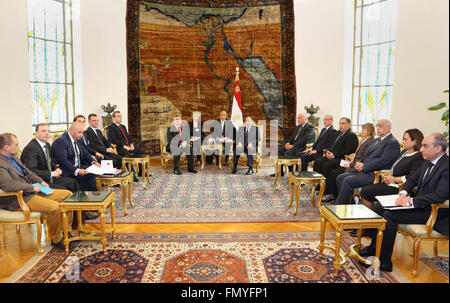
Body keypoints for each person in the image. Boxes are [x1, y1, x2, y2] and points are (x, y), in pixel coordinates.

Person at [358, 133, 449, 272]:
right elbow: (412, 180)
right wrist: (403, 193)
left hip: (434, 211)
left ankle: (384, 262)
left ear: (438, 148)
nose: (421, 149)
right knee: (378, 208)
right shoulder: (426, 161)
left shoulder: (446, 166)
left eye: (425, 146)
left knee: (389, 215)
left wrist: (412, 200)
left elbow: (440, 195)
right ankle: (373, 249)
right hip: (420, 205)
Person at [0, 133, 73, 249]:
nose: (19, 147)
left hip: (32, 191)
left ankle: (65, 231)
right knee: (55, 207)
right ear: (6, 147)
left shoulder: (13, 157)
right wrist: (32, 187)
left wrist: (40, 181)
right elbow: (8, 185)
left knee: (69, 195)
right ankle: (57, 239)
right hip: (18, 198)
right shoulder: (1, 163)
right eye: (16, 144)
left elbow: (28, 172)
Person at [335, 119, 400, 205]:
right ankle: (349, 204)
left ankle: (340, 208)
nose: (378, 128)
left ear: (389, 127)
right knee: (340, 177)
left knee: (347, 180)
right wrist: (359, 164)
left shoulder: (392, 142)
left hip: (374, 173)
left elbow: (383, 161)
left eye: (380, 126)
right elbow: (366, 155)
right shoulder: (377, 140)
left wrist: (364, 166)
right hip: (364, 170)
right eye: (377, 126)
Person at [360, 129, 425, 210]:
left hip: (400, 187)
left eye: (405, 139)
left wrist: (394, 179)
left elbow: (412, 177)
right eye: (403, 139)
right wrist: (389, 176)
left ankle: (371, 220)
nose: (403, 141)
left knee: (366, 191)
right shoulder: (405, 151)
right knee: (366, 189)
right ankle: (373, 216)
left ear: (414, 141)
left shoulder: (418, 157)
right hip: (391, 182)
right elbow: (394, 166)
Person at [321, 122, 374, 203]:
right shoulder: (363, 140)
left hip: (357, 166)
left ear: (369, 131)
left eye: (363, 130)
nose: (361, 132)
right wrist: (350, 161)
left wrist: (351, 164)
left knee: (336, 173)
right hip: (352, 162)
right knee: (334, 170)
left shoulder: (371, 141)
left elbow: (364, 157)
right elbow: (356, 154)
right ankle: (338, 196)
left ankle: (339, 197)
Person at [20, 123, 79, 193]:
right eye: (43, 131)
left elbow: (49, 161)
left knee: (73, 182)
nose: (47, 133)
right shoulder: (31, 148)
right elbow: (31, 171)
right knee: (64, 191)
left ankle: (75, 203)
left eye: (48, 131)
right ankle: (65, 203)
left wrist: (56, 168)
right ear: (36, 133)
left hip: (49, 179)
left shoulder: (47, 145)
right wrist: (51, 173)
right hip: (39, 182)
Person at [51, 123, 99, 192]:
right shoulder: (61, 141)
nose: (81, 135)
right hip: (66, 170)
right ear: (71, 131)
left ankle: (89, 196)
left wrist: (94, 162)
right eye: (79, 132)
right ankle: (87, 197)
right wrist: (77, 171)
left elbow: (85, 152)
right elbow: (63, 161)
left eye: (82, 132)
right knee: (90, 176)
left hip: (77, 166)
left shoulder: (77, 139)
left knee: (94, 172)